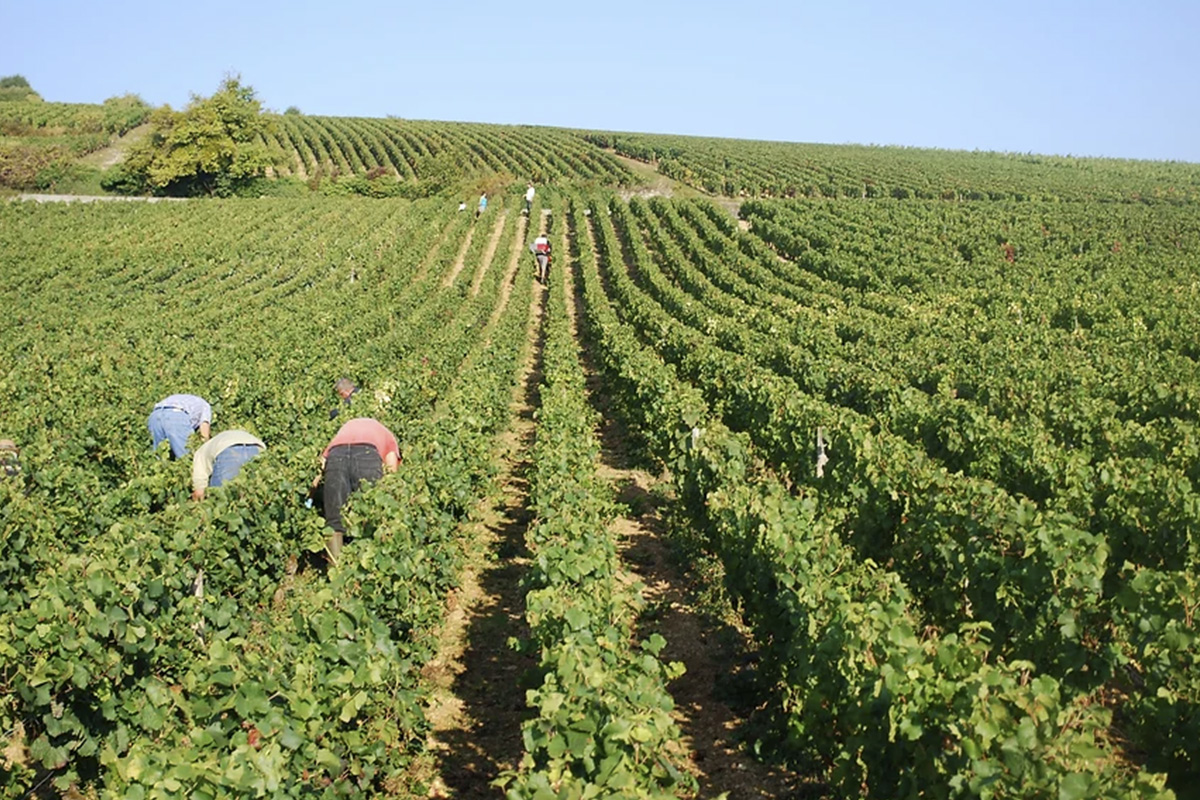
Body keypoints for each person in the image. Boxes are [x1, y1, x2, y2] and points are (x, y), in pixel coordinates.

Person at [312, 417, 401, 560]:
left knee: (334, 520)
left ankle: (334, 571)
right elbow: (391, 472)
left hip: (336, 455)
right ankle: (368, 565)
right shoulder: (388, 436)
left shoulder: (343, 431)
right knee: (371, 515)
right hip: (367, 454)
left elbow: (321, 464)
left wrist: (309, 496)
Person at [191, 429, 265, 500]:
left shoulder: (199, 453)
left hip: (229, 449)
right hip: (257, 447)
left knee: (219, 496)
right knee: (253, 492)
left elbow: (199, 489)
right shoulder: (212, 443)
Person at [148, 394, 212, 459]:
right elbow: (204, 432)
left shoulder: (183, 398)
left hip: (155, 415)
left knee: (159, 455)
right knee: (188, 457)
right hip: (176, 416)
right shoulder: (206, 406)